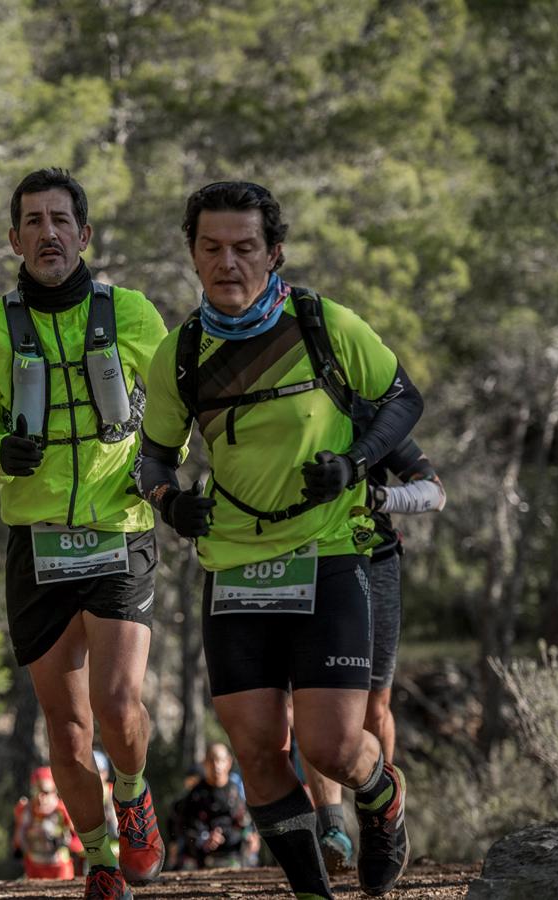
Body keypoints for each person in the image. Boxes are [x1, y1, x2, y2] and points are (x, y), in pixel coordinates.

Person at [136, 181, 424, 899]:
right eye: (212, 248)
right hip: (234, 565)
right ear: (193, 254)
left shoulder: (322, 322)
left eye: (244, 247)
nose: (227, 262)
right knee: (259, 752)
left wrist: (354, 463)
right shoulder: (181, 353)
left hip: (326, 552)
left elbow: (403, 399)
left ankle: (383, 802)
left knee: (331, 746)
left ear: (274, 252)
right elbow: (153, 458)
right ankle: (312, 894)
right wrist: (172, 504)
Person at [0, 168, 168, 900]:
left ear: (85, 234)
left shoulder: (134, 314)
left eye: (60, 220)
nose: (48, 233)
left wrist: (166, 477)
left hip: (120, 529)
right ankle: (102, 855)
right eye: (33, 222)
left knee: (116, 704)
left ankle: (134, 796)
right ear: (13, 239)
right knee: (69, 729)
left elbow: (172, 413)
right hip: (38, 541)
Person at [304, 440, 446, 871]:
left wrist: (375, 496)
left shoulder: (371, 413)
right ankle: (331, 827)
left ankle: (379, 820)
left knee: (374, 706)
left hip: (374, 562)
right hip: (303, 563)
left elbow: (434, 492)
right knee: (311, 701)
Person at [167, 743, 254, 871]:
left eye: (220, 760)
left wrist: (251, 835)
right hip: (201, 862)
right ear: (204, 763)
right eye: (212, 760)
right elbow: (184, 828)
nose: (216, 766)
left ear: (229, 762)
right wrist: (204, 839)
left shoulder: (237, 792)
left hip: (234, 858)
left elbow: (245, 822)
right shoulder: (195, 795)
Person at [12, 766, 84, 881]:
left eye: (45, 792)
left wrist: (65, 841)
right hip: (33, 867)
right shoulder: (25, 809)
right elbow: (18, 836)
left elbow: (80, 843)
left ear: (54, 790)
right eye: (36, 791)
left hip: (59, 868)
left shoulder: (63, 810)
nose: (40, 797)